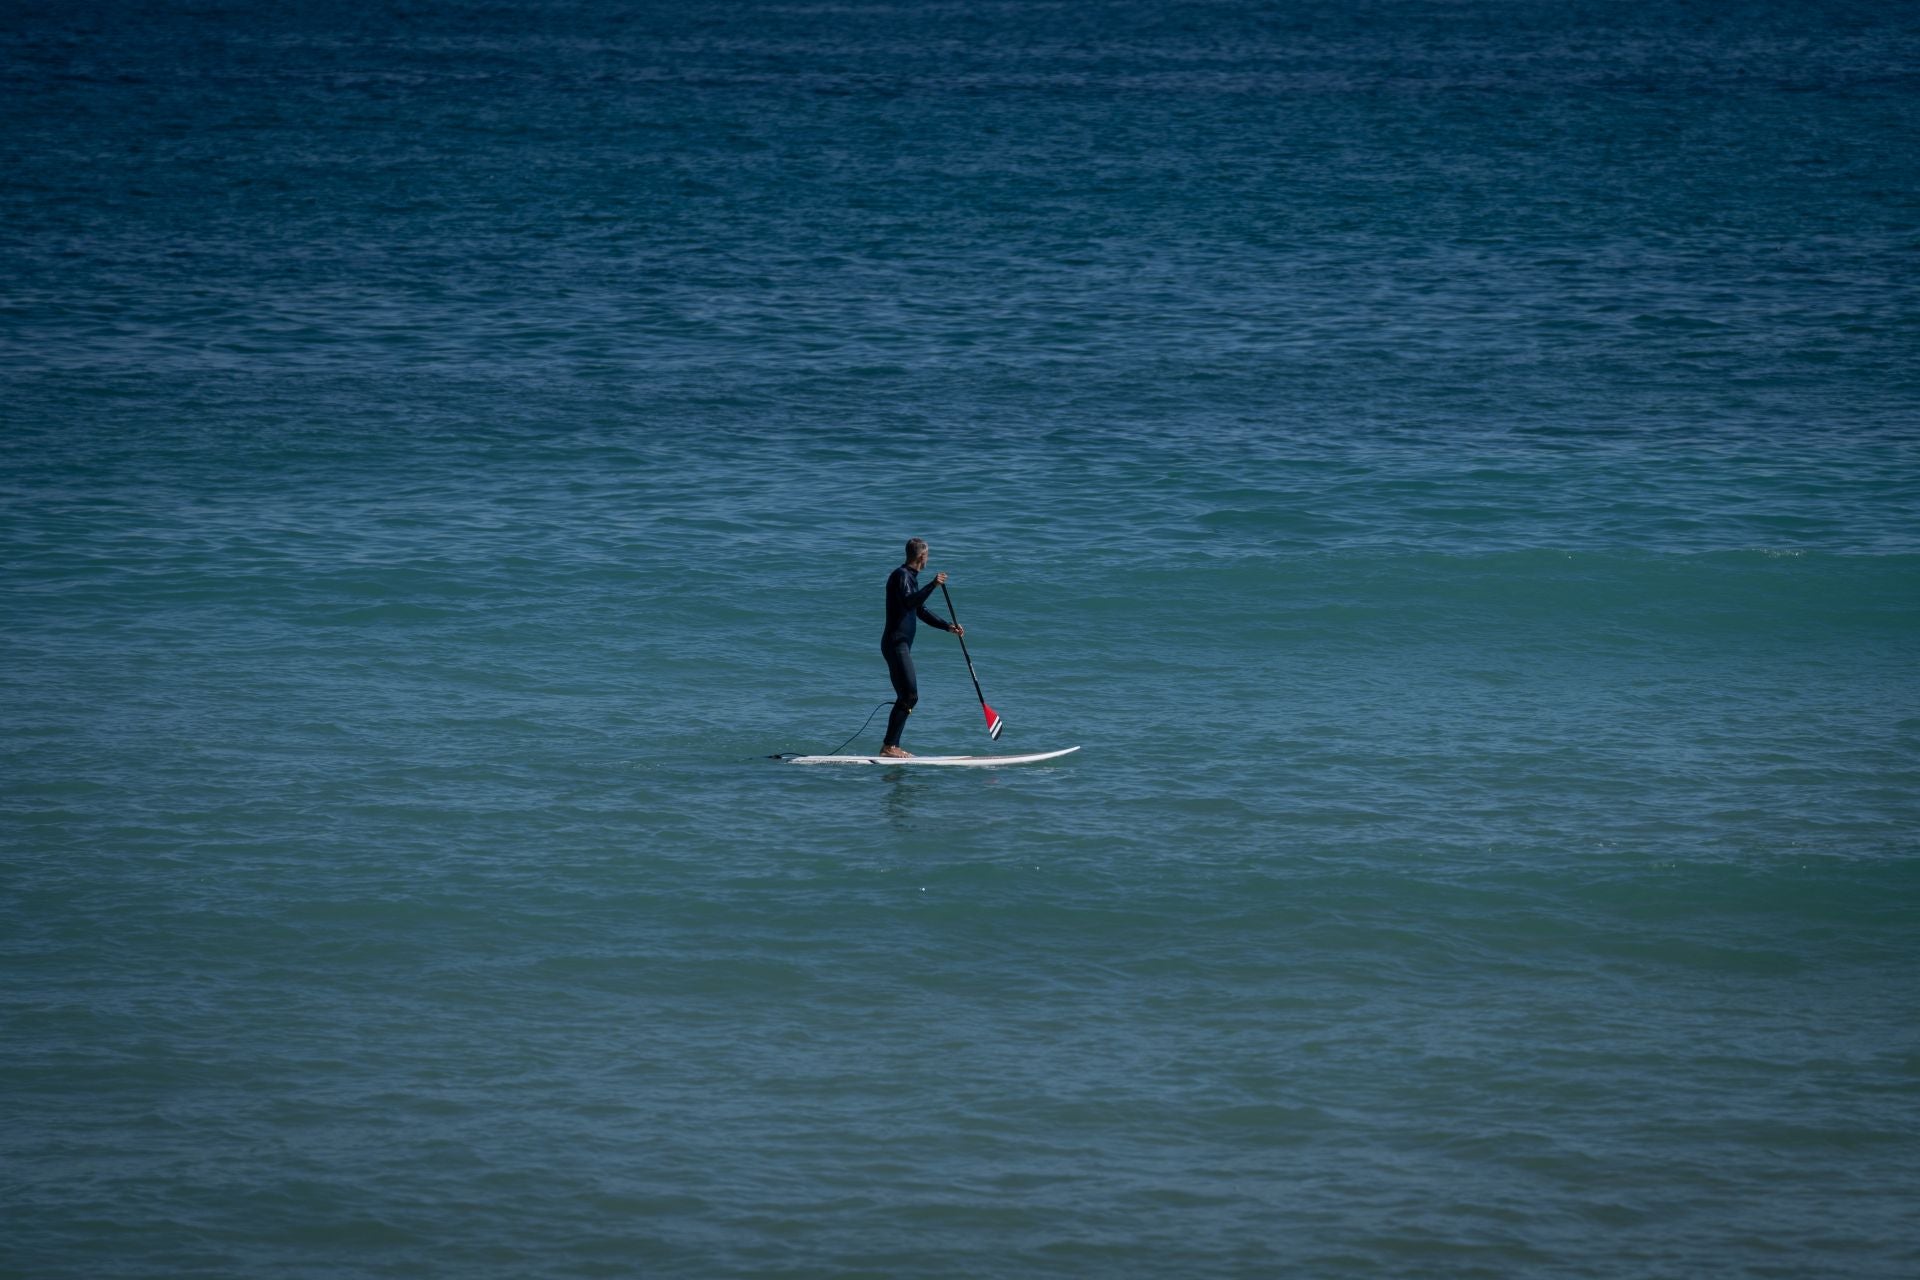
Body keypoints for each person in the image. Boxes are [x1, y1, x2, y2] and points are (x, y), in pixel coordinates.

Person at [879, 537, 963, 758]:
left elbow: (920, 610)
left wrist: (947, 626)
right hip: (896, 644)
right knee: (910, 695)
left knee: (907, 696)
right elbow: (910, 602)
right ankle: (889, 747)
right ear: (922, 556)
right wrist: (933, 585)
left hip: (899, 645)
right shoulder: (901, 576)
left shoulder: (909, 578)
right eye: (928, 555)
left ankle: (891, 746)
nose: (928, 559)